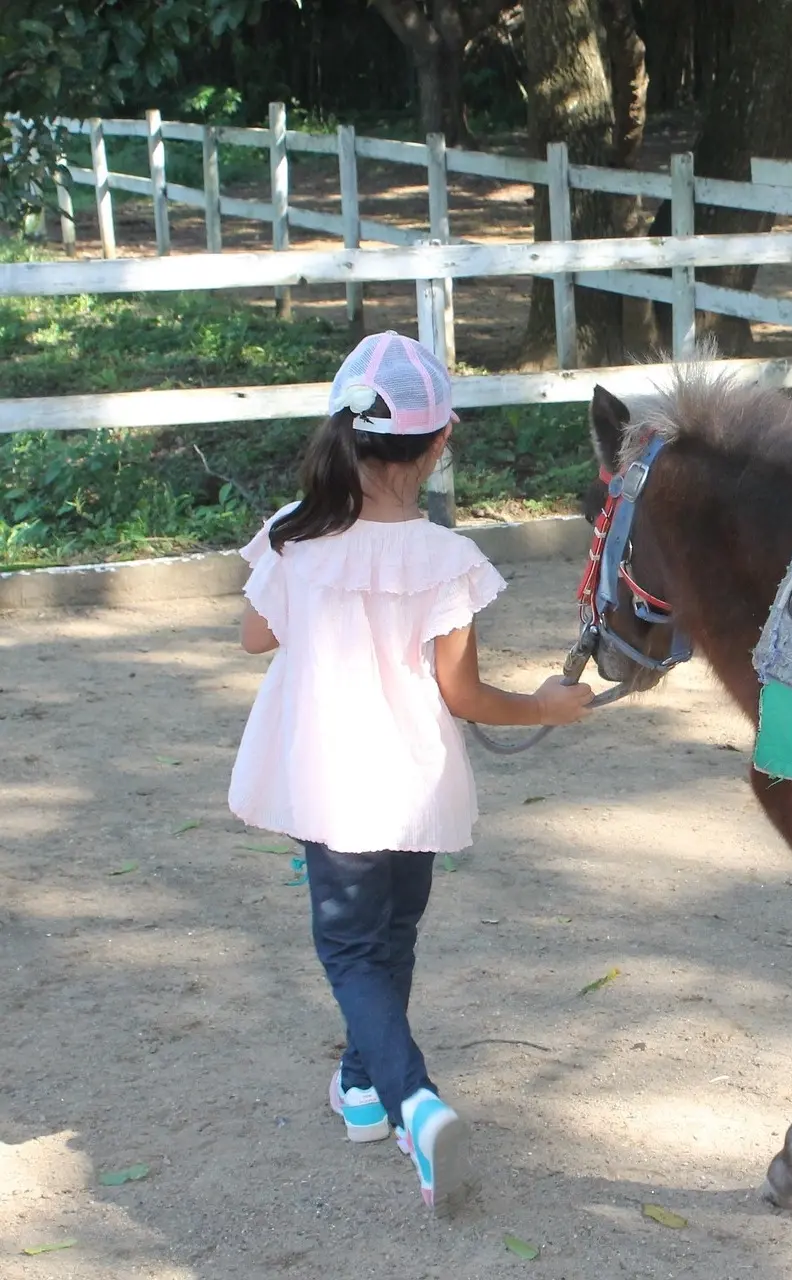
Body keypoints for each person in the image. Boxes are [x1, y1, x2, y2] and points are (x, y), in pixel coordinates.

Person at [227, 331, 595, 1216]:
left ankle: (411, 1100)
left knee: (352, 949)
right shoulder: (445, 558)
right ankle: (369, 1089)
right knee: (390, 939)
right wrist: (546, 706)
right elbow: (463, 696)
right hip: (413, 781)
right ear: (438, 445)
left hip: (328, 778)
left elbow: (254, 637)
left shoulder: (292, 534)